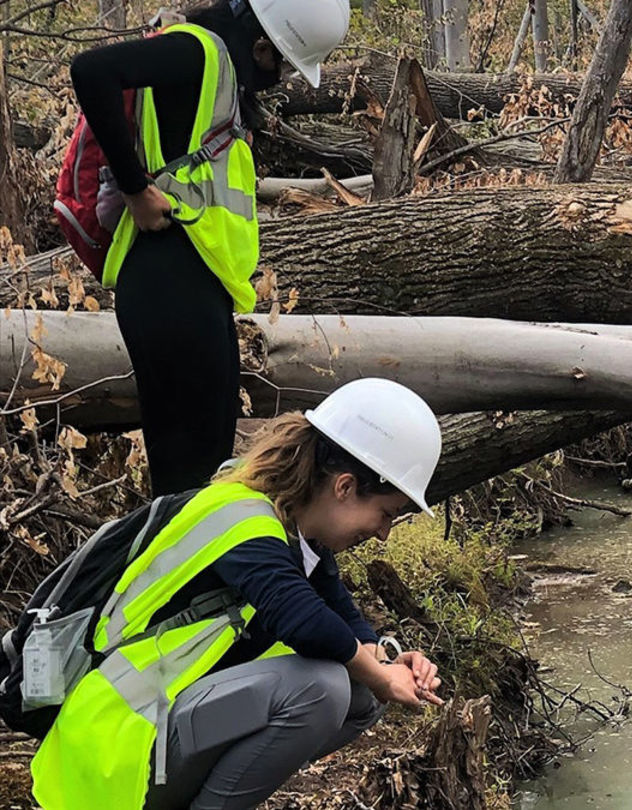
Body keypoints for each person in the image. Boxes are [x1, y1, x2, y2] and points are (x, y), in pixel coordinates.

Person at [30, 378, 446, 810]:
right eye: (385, 514)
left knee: (361, 693)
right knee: (323, 688)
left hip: (160, 725)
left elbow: (341, 617)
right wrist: (379, 674)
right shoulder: (238, 517)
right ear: (344, 487)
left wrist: (388, 660)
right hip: (116, 744)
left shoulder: (296, 535)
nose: (382, 534)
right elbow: (301, 619)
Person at [68, 0, 350, 496]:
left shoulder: (218, 79)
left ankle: (191, 568)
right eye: (282, 65)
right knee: (188, 477)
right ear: (262, 47)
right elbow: (91, 71)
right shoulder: (199, 53)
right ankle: (174, 570)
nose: (279, 78)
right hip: (167, 278)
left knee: (206, 468)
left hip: (194, 283)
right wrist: (135, 188)